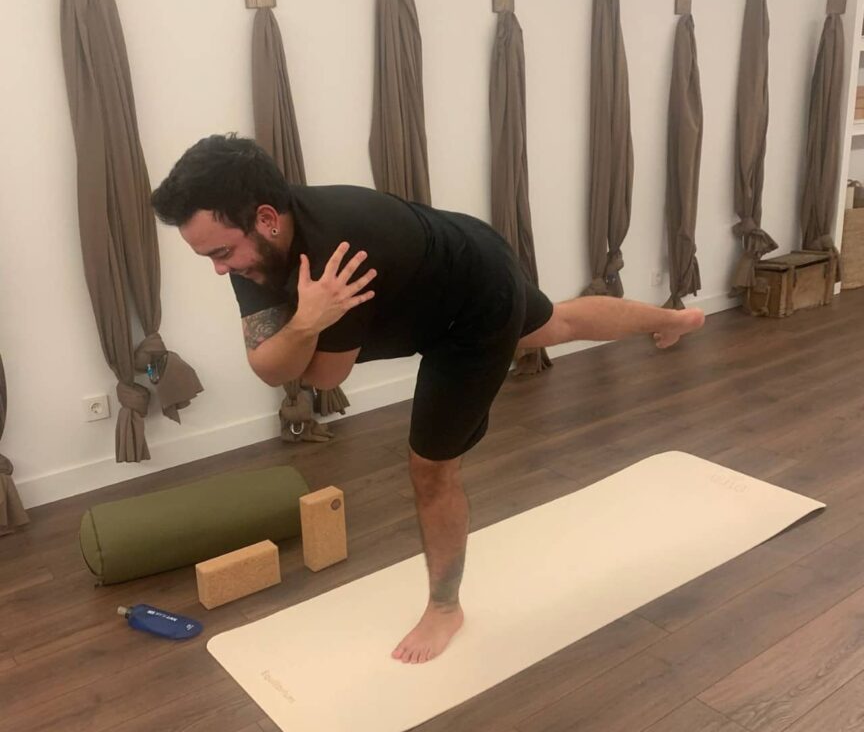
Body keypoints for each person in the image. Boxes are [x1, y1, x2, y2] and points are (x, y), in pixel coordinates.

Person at [151, 134, 705, 664]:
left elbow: (320, 378)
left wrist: (302, 329)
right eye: (209, 257)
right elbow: (268, 366)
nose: (220, 269)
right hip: (455, 257)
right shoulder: (254, 249)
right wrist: (303, 324)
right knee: (557, 324)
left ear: (267, 219)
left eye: (221, 253)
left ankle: (445, 608)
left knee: (431, 469)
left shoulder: (338, 255)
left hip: (473, 303)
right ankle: (674, 319)